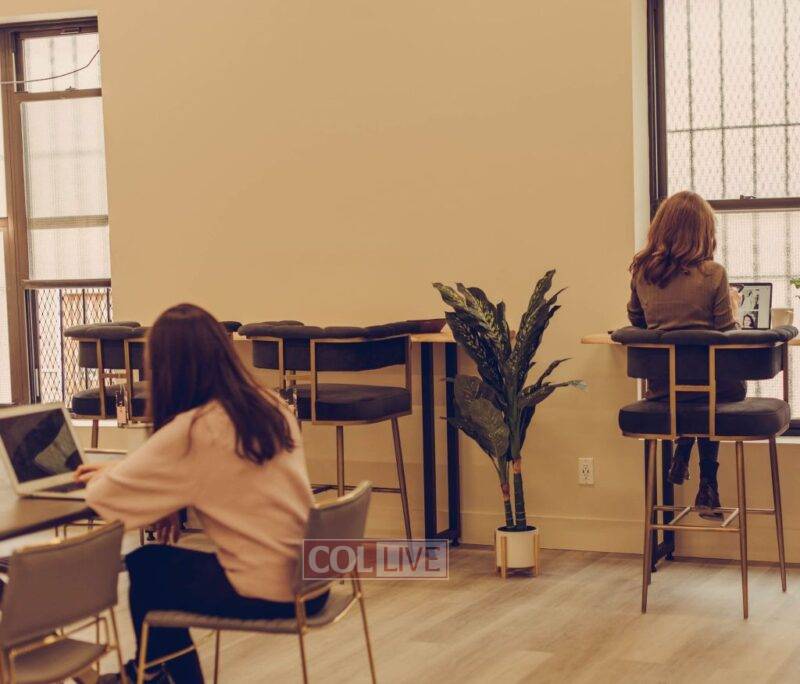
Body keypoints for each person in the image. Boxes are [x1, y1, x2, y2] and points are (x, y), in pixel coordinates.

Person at [77, 303, 325, 683]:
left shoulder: (196, 431)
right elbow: (221, 478)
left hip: (272, 588)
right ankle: (150, 674)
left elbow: (105, 500)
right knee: (159, 571)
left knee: (149, 566)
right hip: (314, 578)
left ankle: (149, 675)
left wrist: (105, 477)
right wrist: (151, 486)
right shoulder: (268, 405)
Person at [627, 190, 743, 519]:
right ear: (703, 231)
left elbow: (637, 321)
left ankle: (683, 447)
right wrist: (734, 304)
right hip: (718, 390)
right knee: (708, 388)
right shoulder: (713, 274)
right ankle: (707, 481)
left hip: (663, 391)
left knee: (689, 392)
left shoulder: (642, 272)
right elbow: (726, 333)